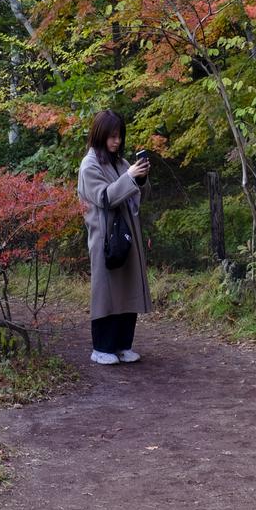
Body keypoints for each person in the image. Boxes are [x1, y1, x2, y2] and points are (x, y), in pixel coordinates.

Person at [77, 110, 152, 365]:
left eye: (119, 136)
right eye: (111, 136)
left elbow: (133, 194)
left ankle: (123, 345)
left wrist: (140, 178)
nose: (116, 141)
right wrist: (130, 177)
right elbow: (104, 198)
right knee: (106, 292)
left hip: (126, 234)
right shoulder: (90, 165)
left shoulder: (119, 162)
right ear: (99, 135)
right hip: (105, 237)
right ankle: (102, 347)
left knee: (128, 288)